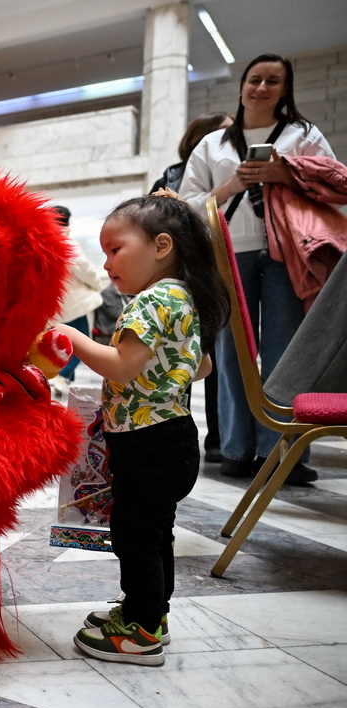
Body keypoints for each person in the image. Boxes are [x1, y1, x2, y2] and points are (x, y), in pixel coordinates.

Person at [55, 193, 230, 666]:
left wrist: (71, 335)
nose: (107, 262)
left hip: (147, 444)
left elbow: (120, 367)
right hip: (173, 437)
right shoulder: (183, 298)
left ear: (161, 246)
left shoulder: (150, 303)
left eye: (115, 249)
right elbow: (203, 367)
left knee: (134, 533)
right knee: (156, 533)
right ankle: (150, 612)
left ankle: (141, 632)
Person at [181, 53, 336, 484]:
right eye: (255, 79)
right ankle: (235, 448)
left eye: (273, 80)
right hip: (230, 252)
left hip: (288, 250)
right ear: (242, 85)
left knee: (287, 351)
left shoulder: (304, 134)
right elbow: (186, 202)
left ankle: (283, 450)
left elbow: (334, 183)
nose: (262, 88)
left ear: (285, 89)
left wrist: (285, 175)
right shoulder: (212, 144)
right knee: (233, 352)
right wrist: (230, 185)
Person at [150, 111, 233, 463]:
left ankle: (220, 438)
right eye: (225, 133)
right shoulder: (172, 176)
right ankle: (176, 434)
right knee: (185, 354)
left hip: (215, 273)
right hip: (191, 278)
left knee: (211, 359)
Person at [47, 205, 110, 398]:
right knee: (82, 344)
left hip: (56, 305)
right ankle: (61, 376)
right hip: (74, 304)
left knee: (61, 343)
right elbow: (84, 268)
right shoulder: (65, 240)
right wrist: (98, 284)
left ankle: (62, 379)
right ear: (67, 221)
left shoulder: (44, 239)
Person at [149, 111, 233, 194]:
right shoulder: (166, 184)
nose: (233, 136)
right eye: (224, 131)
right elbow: (209, 207)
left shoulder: (239, 172)